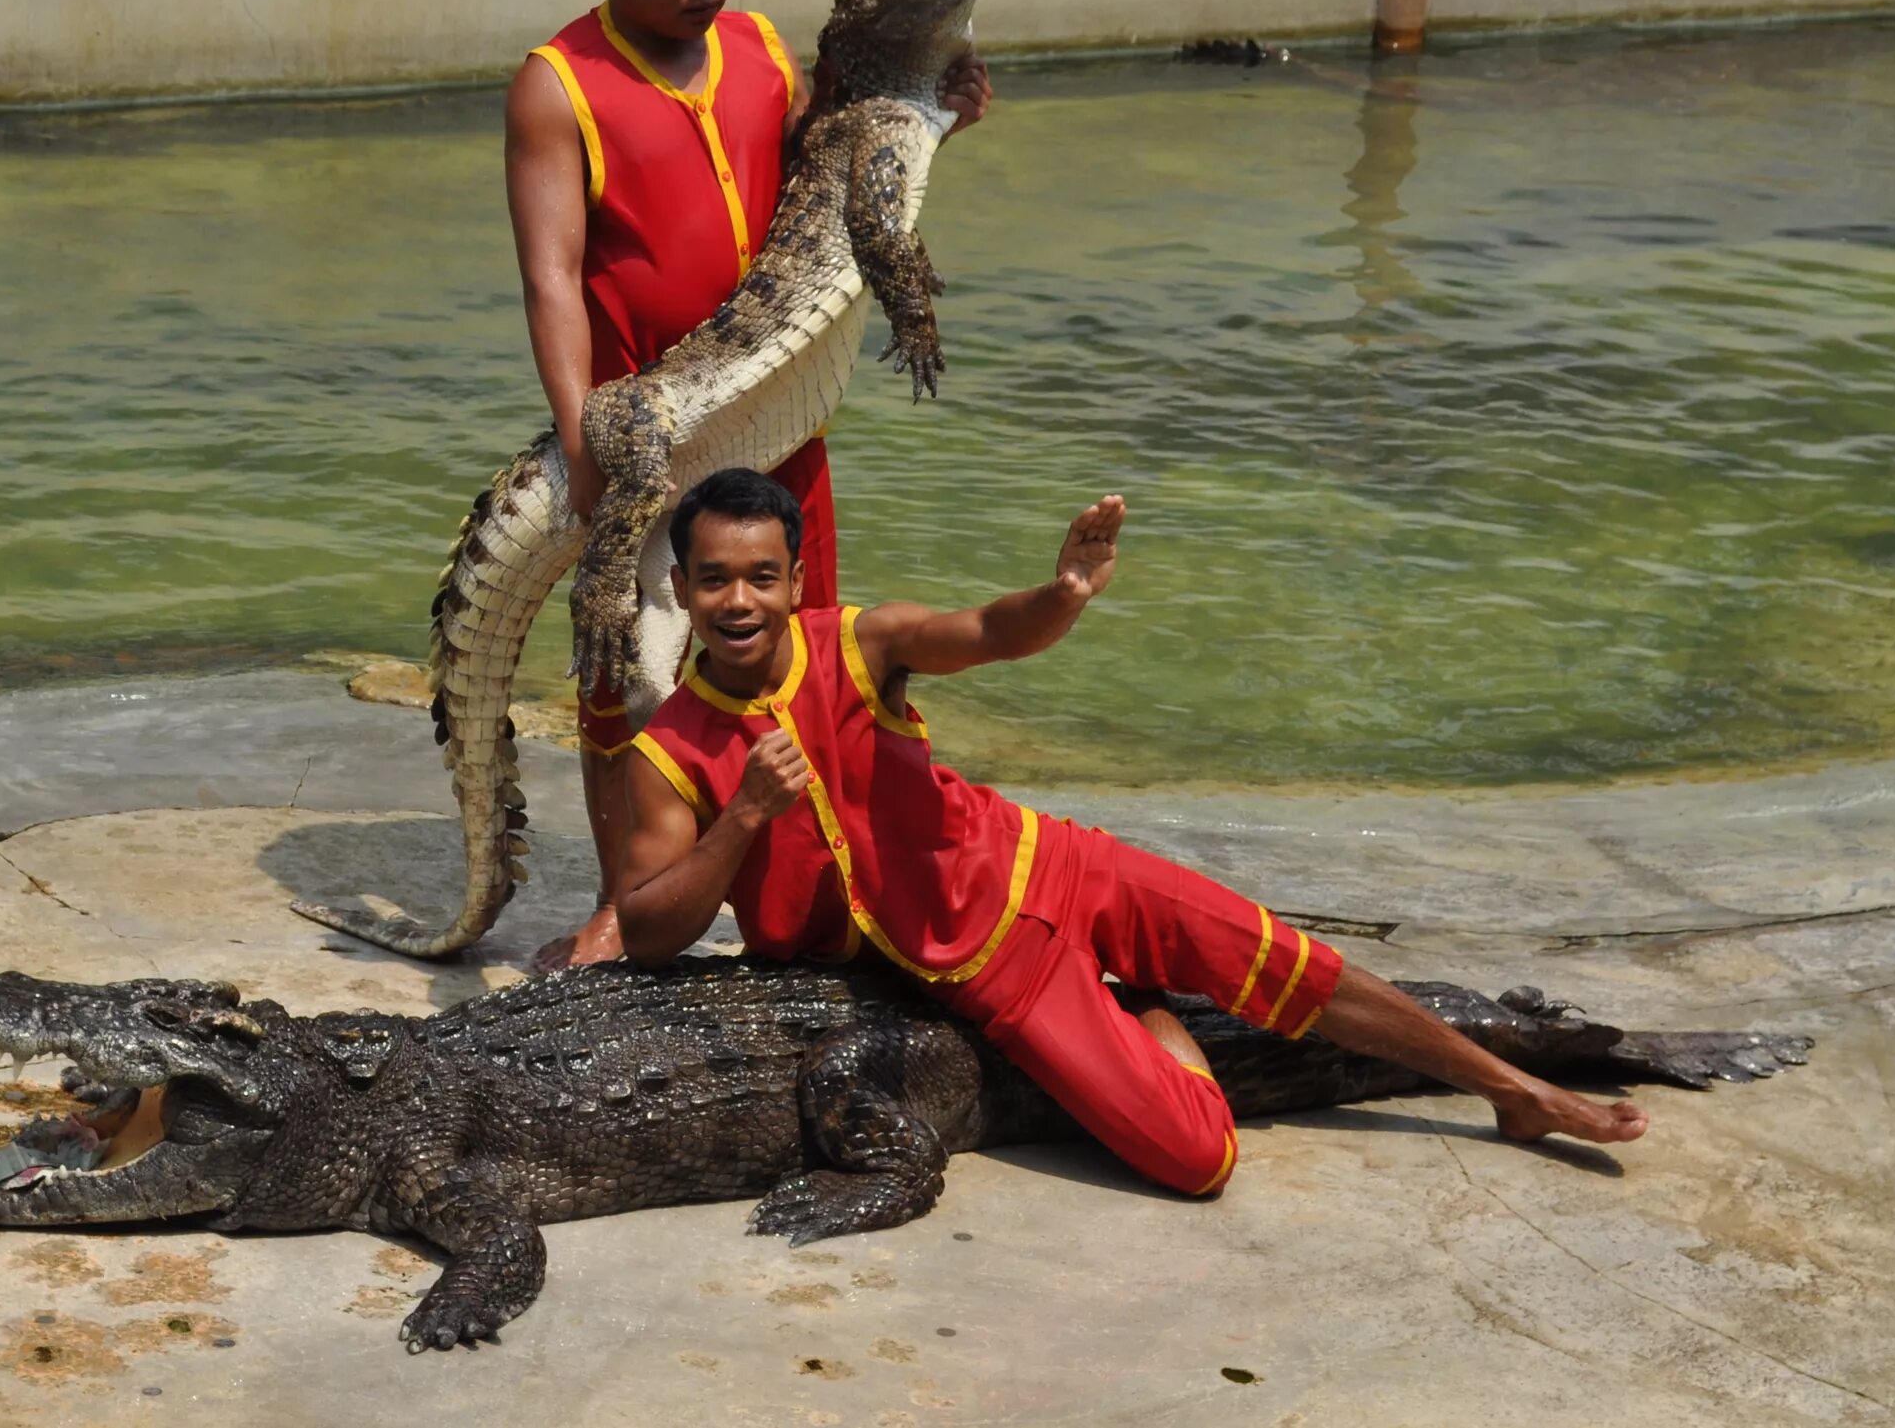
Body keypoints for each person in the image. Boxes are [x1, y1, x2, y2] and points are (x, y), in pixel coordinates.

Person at [609, 469, 1649, 1193]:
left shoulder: (863, 641)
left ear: (796, 578)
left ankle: (1515, 1091)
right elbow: (651, 930)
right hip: (988, 973)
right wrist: (745, 814)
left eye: (761, 575)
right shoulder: (670, 749)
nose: (738, 599)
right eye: (714, 579)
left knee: (1287, 959)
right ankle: (1141, 998)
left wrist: (1063, 595)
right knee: (1199, 1158)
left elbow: (987, 631)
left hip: (1051, 861)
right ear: (682, 589)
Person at [504, 0, 992, 968]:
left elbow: (838, 170)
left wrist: (940, 115)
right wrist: (582, 433)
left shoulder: (764, 47)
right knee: (624, 675)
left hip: (777, 420)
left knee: (799, 661)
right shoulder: (557, 81)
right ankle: (627, 905)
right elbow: (550, 275)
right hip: (657, 433)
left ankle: (813, 896)